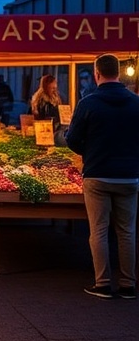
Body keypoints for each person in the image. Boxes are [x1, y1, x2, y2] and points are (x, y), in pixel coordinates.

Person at [65, 54, 139, 300]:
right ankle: (128, 285)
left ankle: (103, 283)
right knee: (127, 231)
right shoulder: (135, 102)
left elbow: (72, 139)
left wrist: (89, 151)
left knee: (98, 230)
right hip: (129, 177)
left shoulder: (89, 103)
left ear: (97, 74)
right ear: (118, 73)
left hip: (97, 174)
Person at [30, 74, 66, 146]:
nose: (54, 90)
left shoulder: (56, 98)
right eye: (52, 88)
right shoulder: (41, 100)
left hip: (54, 130)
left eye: (55, 88)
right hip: (44, 132)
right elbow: (44, 117)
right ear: (46, 87)